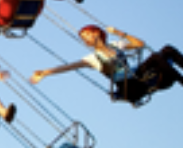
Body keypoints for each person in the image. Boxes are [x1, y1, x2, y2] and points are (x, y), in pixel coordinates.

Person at [30, 25, 183, 104]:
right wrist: (44, 72)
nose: (86, 40)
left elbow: (140, 44)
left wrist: (118, 32)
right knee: (156, 57)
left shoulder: (116, 44)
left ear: (96, 33)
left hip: (136, 76)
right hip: (128, 87)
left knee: (167, 50)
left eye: (87, 35)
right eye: (84, 38)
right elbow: (69, 66)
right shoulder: (92, 58)